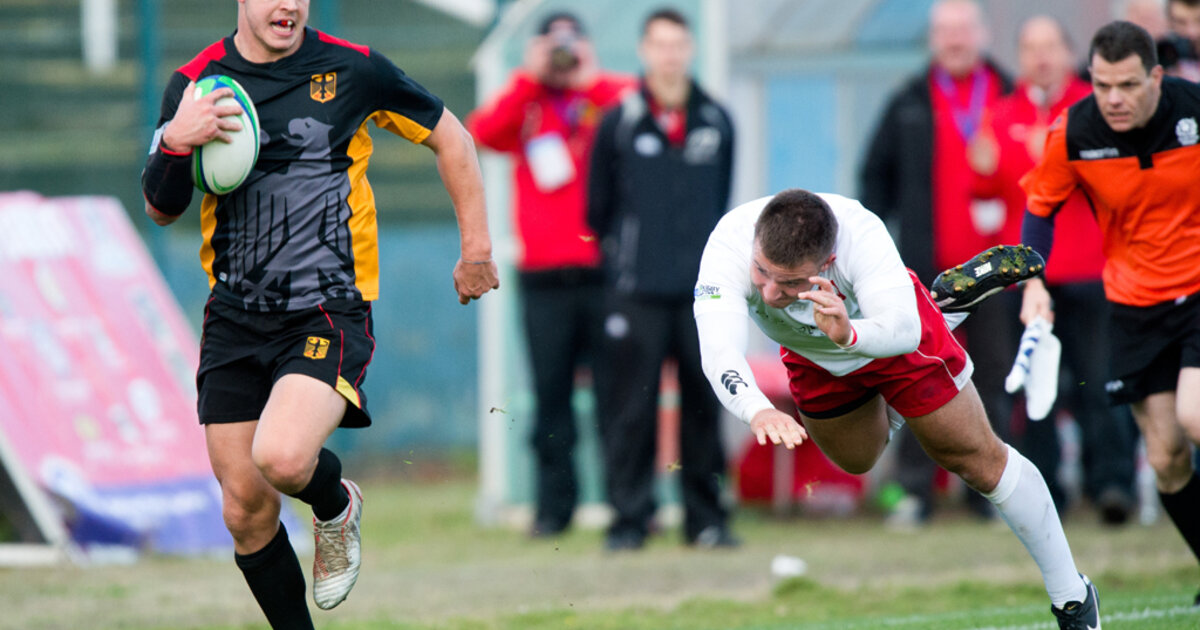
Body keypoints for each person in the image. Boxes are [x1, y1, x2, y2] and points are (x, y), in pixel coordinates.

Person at [141, 0, 499, 626]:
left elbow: (452, 136)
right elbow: (161, 210)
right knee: (244, 509)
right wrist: (176, 141)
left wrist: (476, 249)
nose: (291, 5)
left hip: (326, 310)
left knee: (280, 458)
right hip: (233, 314)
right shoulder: (196, 86)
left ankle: (335, 505)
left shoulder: (354, 69)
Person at [693, 188, 1099, 629]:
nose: (770, 294)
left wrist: (849, 335)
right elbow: (718, 350)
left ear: (828, 262)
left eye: (792, 283)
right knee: (858, 458)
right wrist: (757, 409)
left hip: (885, 333)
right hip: (814, 352)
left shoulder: (862, 235)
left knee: (976, 459)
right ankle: (944, 308)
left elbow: (903, 331)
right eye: (762, 272)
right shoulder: (728, 245)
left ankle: (1073, 599)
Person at [1020, 19, 1200, 604]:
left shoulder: (1193, 110)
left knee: (1196, 416)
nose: (1114, 100)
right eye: (1101, 86)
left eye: (1126, 85)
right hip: (1134, 303)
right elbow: (1039, 209)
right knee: (1168, 457)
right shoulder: (1073, 132)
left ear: (1156, 75)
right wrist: (1033, 281)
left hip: (1198, 290)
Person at [466, 12, 633, 539]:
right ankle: (553, 509)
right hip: (542, 277)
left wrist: (591, 78)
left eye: (570, 45)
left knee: (616, 395)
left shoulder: (603, 100)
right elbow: (483, 133)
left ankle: (627, 508)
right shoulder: (529, 105)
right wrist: (528, 76)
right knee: (551, 397)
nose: (562, 55)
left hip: (602, 272)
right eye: (553, 46)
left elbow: (638, 111)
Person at [968, 15, 1139, 524]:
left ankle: (1111, 485)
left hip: (1091, 269)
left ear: (1069, 54)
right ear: (1018, 57)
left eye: (1049, 46)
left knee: (1099, 380)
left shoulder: (1096, 109)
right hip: (1028, 280)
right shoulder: (999, 114)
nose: (1040, 57)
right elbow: (989, 201)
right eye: (1029, 48)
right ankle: (1042, 493)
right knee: (1031, 388)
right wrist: (983, 171)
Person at [859, 0, 1017, 526]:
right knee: (918, 380)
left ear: (983, 34)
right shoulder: (908, 100)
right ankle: (913, 494)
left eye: (963, 30)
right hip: (927, 274)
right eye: (945, 31)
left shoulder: (1010, 95)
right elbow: (872, 179)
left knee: (994, 379)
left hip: (997, 275)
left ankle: (992, 492)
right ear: (932, 38)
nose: (954, 40)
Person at [587, 7, 737, 551]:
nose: (669, 55)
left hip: (701, 298)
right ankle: (630, 522)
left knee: (704, 406)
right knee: (632, 413)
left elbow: (722, 207)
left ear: (690, 49)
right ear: (644, 51)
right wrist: (626, 269)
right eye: (660, 44)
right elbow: (596, 209)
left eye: (678, 44)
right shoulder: (620, 121)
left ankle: (707, 521)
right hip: (637, 295)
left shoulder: (716, 121)